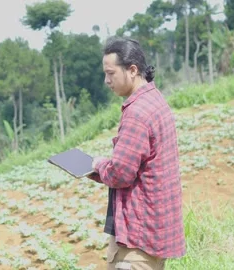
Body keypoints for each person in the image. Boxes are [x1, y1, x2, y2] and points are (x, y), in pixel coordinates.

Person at [88, 37, 186, 270]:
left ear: (132, 70)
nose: (106, 80)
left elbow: (120, 174)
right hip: (154, 229)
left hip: (138, 236)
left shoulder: (137, 113)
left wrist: (98, 164)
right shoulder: (155, 99)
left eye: (111, 73)